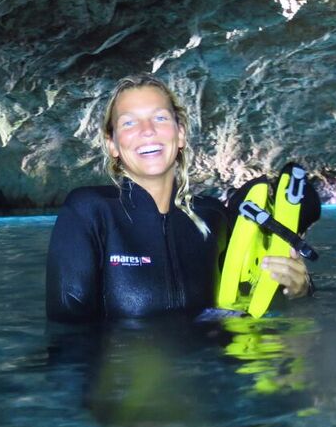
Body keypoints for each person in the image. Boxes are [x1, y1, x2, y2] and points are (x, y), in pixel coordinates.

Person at [45, 73, 315, 322]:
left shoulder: (214, 217)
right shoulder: (88, 212)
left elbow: (245, 299)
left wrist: (299, 290)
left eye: (160, 118)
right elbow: (69, 338)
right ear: (112, 144)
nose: (147, 130)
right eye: (129, 122)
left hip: (215, 370)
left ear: (181, 133)